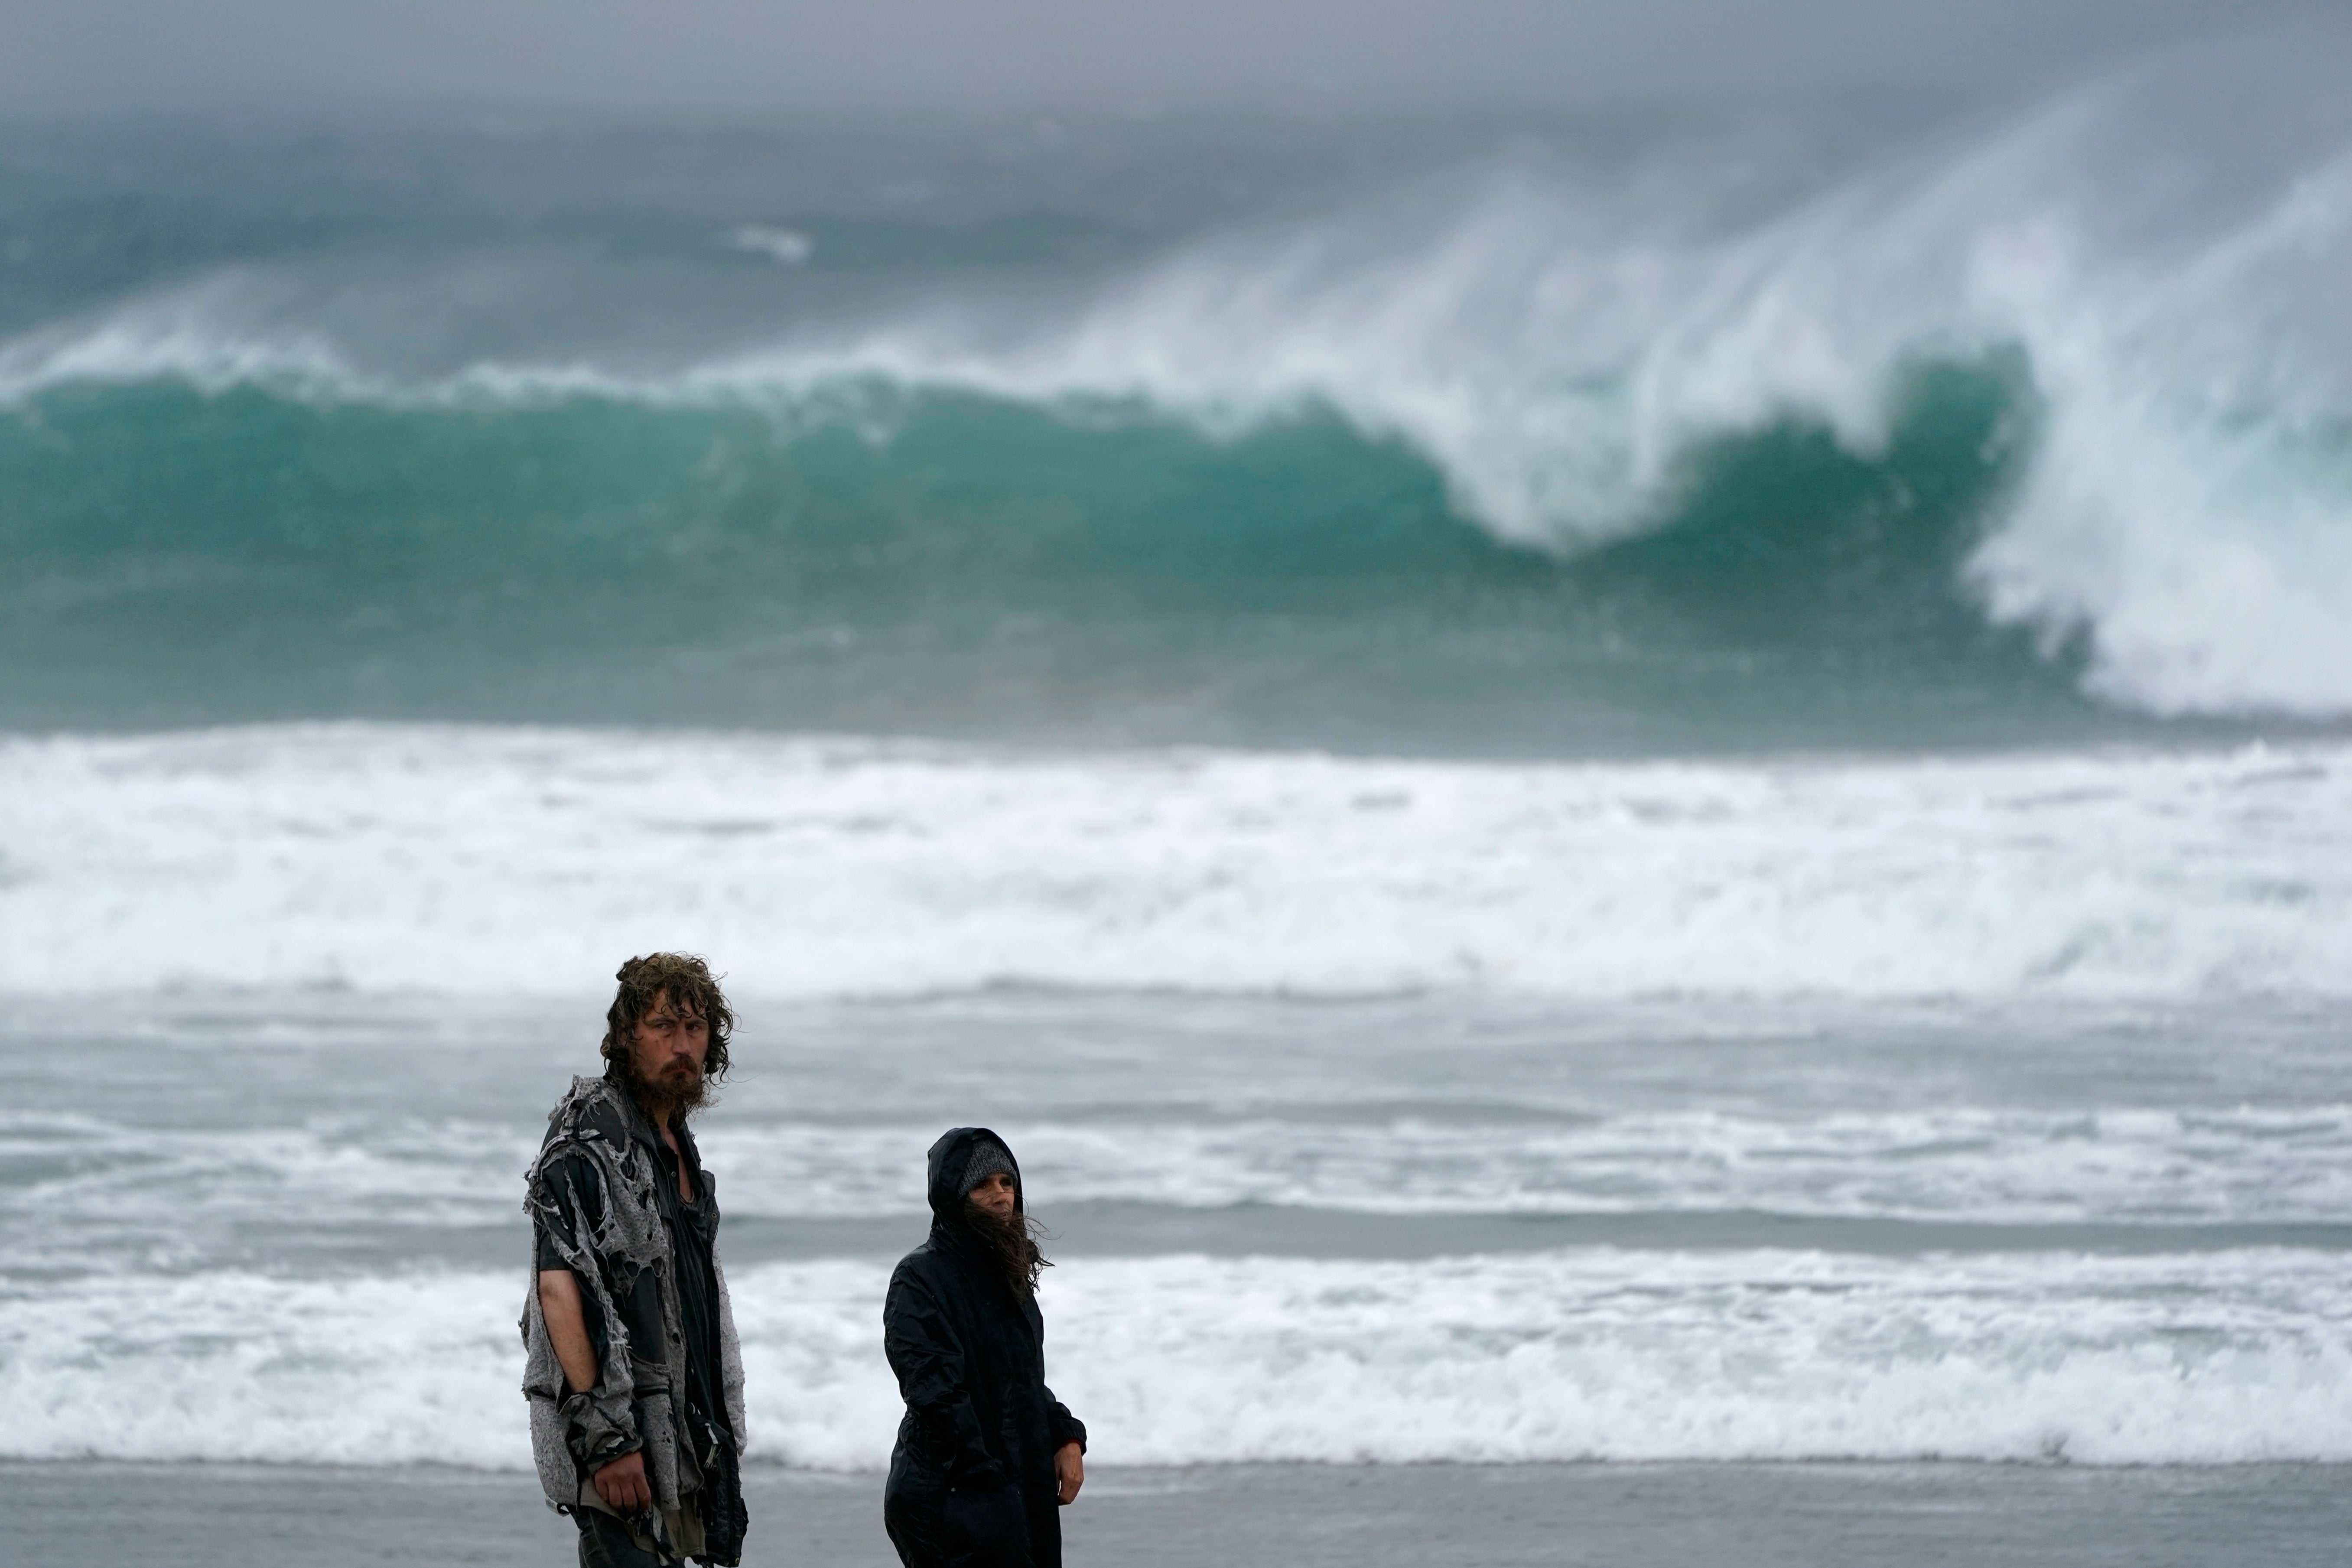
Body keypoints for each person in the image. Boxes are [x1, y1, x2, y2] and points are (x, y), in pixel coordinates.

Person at [521, 954, 750, 1568]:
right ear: (627, 1035)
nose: (682, 1045)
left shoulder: (676, 1141)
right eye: (663, 1026)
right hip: (618, 1439)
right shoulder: (589, 1134)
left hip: (678, 1436)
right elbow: (558, 1288)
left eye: (695, 1029)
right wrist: (607, 1439)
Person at [884, 1128, 1087, 1568]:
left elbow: (1023, 1383)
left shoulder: (1008, 1274)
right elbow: (938, 1398)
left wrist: (1064, 1435)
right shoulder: (920, 1278)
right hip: (955, 1495)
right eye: (982, 1185)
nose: (1001, 1196)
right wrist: (996, 1487)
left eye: (1007, 1182)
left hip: (1016, 1489)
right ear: (953, 1198)